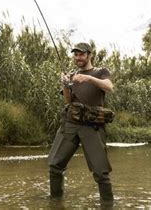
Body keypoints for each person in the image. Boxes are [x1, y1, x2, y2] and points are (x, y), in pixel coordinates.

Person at [47, 42, 115, 207]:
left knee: (101, 172)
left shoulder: (100, 72)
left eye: (81, 54)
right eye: (75, 54)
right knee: (55, 165)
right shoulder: (72, 76)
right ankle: (56, 202)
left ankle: (108, 205)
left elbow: (109, 87)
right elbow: (69, 101)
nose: (78, 57)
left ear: (89, 55)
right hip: (70, 123)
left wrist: (89, 78)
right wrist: (65, 84)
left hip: (92, 126)